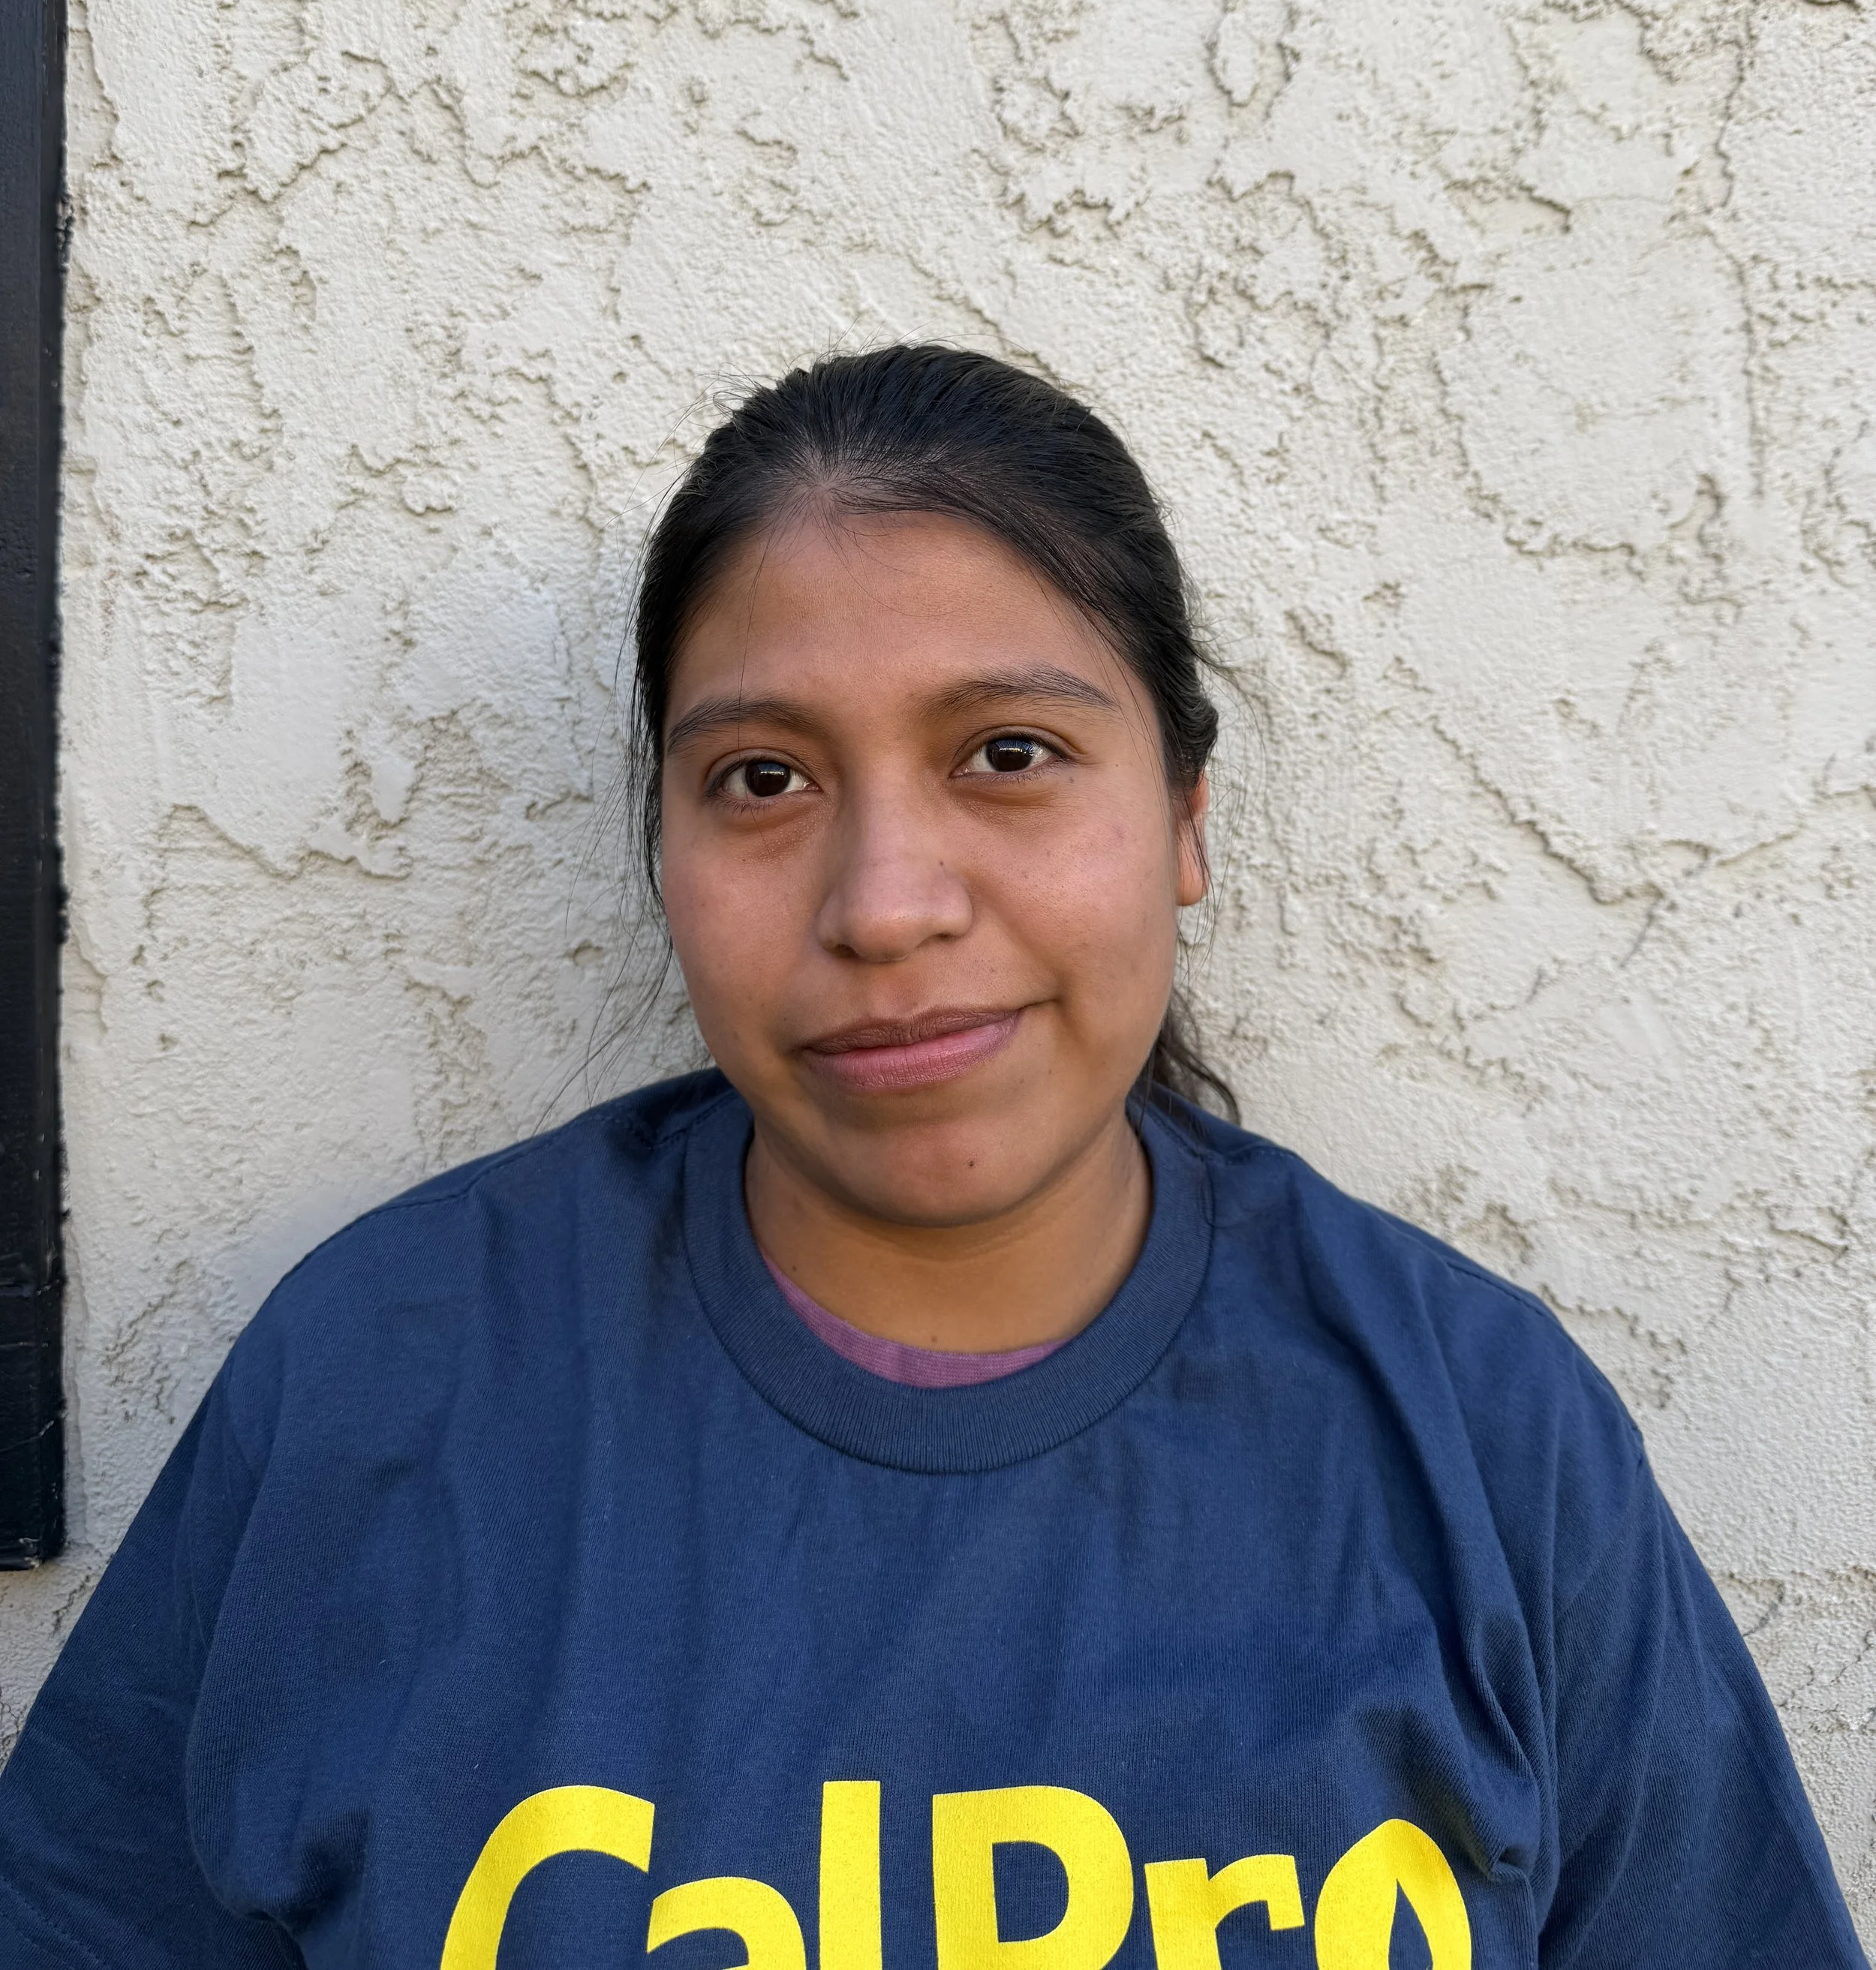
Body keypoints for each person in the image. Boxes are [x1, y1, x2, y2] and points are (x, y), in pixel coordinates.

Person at [0, 344, 1862, 1970]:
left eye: (1008, 752)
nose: (884, 904)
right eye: (763, 779)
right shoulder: (379, 1387)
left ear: (1184, 818)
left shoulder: (1473, 1431)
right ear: (659, 842)